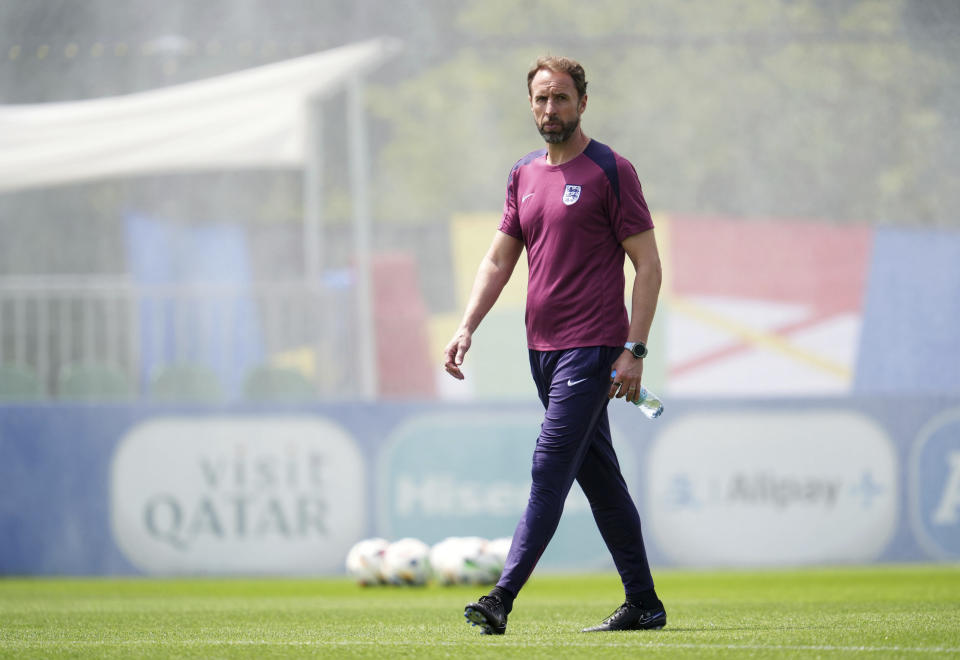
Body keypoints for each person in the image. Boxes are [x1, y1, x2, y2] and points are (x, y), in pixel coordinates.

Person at [443, 55, 666, 635]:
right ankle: (644, 604)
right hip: (541, 352)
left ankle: (500, 597)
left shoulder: (611, 171)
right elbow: (498, 259)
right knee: (600, 479)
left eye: (561, 98)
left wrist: (634, 350)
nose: (550, 109)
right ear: (531, 105)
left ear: (582, 103)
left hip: (592, 347)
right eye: (541, 99)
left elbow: (648, 265)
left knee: (549, 467)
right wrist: (467, 325)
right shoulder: (523, 174)